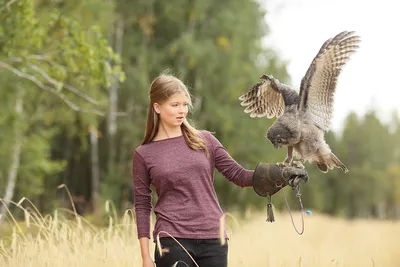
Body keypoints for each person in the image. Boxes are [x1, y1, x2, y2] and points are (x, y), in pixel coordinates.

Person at [132, 74, 309, 267]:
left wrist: (280, 174)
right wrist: (145, 256)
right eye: (175, 105)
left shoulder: (205, 140)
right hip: (171, 239)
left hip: (214, 239)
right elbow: (142, 205)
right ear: (157, 107)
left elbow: (239, 176)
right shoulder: (144, 154)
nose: (182, 110)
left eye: (185, 104)